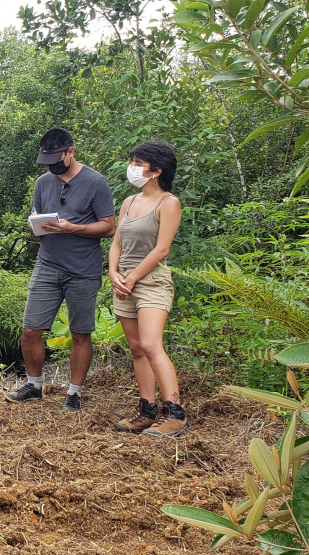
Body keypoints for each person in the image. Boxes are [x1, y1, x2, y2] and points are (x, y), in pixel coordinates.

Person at [6, 127, 115, 412]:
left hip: (83, 269)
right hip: (47, 263)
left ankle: (74, 393)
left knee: (80, 333)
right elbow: (37, 213)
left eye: (57, 159)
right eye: (47, 160)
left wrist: (73, 227)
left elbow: (108, 227)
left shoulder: (96, 183)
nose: (52, 166)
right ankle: (34, 385)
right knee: (31, 330)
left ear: (71, 152)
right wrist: (35, 221)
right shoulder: (44, 182)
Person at [110, 140, 187, 437]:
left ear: (157, 170)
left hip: (151, 281)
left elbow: (162, 249)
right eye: (134, 162)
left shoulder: (168, 203)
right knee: (137, 349)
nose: (133, 168)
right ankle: (147, 410)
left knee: (152, 345)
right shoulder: (128, 202)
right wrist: (114, 273)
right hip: (124, 282)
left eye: (139, 163)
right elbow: (117, 241)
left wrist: (131, 278)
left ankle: (175, 412)